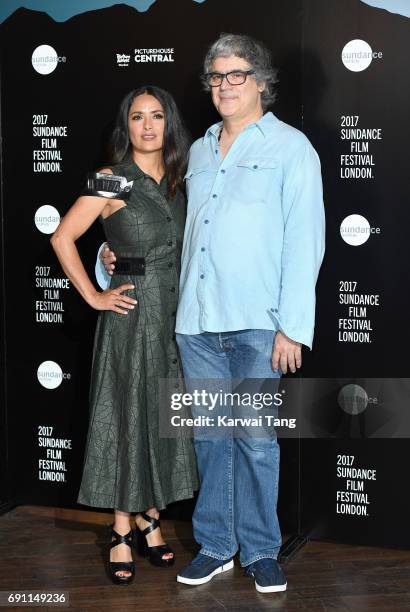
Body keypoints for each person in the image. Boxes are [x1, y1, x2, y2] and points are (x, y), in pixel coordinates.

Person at [103, 33, 325, 593]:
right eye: (216, 77)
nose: (225, 86)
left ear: (260, 82)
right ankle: (217, 545)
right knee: (209, 439)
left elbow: (306, 241)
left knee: (253, 440)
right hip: (196, 324)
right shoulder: (195, 152)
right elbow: (161, 231)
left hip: (257, 322)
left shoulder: (291, 148)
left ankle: (261, 550)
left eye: (236, 76)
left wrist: (292, 327)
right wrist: (111, 260)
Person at [50, 85, 198, 585]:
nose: (148, 126)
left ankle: (151, 522)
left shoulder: (184, 180)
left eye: (157, 116)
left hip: (178, 316)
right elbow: (62, 235)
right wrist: (95, 293)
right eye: (138, 117)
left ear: (169, 123)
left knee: (163, 416)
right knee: (125, 417)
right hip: (130, 318)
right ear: (126, 126)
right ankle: (119, 528)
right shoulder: (111, 179)